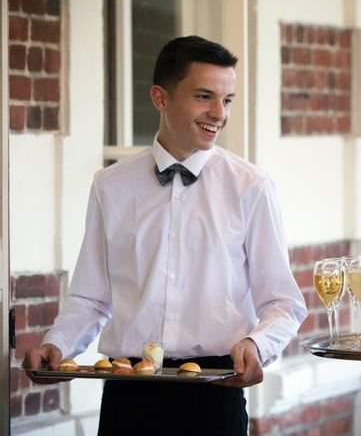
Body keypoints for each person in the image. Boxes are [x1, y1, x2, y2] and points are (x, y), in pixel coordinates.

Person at [23, 35, 308, 435]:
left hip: (215, 391)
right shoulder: (110, 185)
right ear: (160, 97)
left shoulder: (252, 187)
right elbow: (91, 297)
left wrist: (257, 345)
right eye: (204, 96)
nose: (218, 113)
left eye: (227, 100)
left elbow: (284, 302)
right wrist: (58, 345)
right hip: (128, 394)